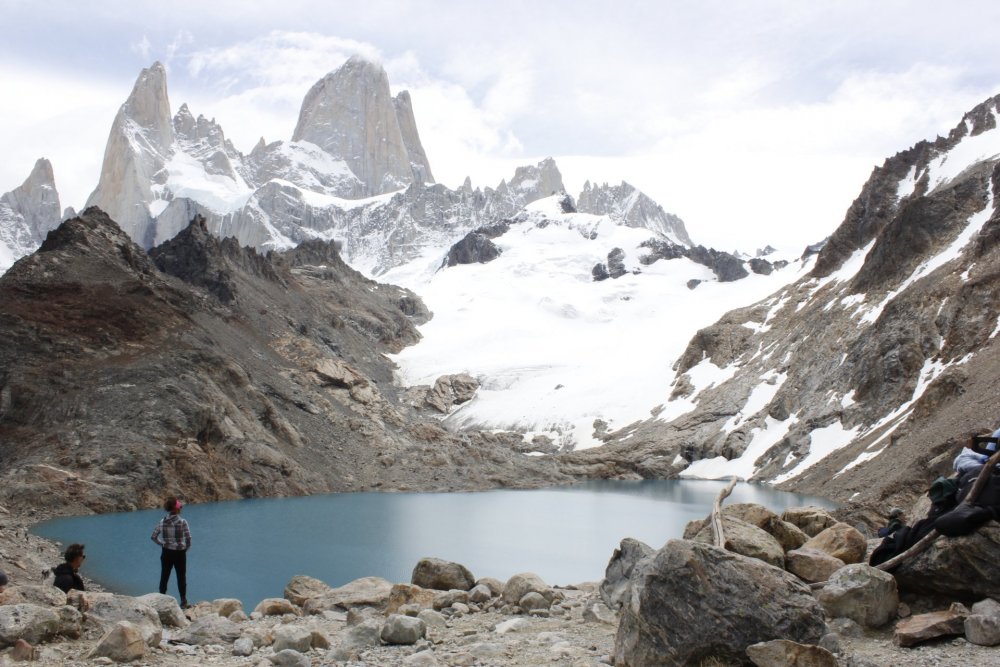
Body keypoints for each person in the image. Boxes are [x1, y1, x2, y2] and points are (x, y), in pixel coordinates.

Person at [151, 496, 192, 608]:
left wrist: (163, 544)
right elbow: (188, 539)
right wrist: (185, 548)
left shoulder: (162, 521)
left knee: (164, 576)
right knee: (181, 577)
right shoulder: (182, 522)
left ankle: (160, 599)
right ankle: (183, 602)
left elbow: (153, 536)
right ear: (176, 508)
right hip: (180, 553)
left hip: (166, 552)